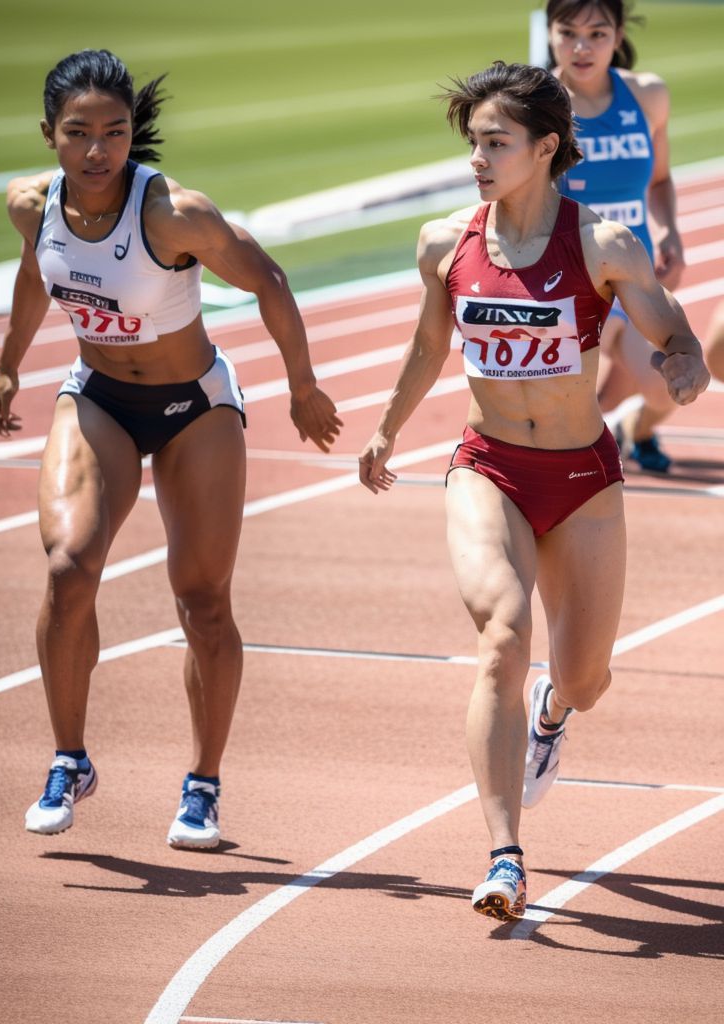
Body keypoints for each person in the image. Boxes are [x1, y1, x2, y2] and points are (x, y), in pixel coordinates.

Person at [358, 61, 709, 921]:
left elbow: (671, 329)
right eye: (473, 143)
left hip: (582, 479)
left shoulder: (602, 245)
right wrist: (386, 429)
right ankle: (504, 858)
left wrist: (686, 361)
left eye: (496, 143)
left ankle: (555, 712)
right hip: (490, 468)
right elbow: (428, 346)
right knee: (503, 638)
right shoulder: (445, 243)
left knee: (585, 678)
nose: (478, 159)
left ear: (546, 148)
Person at [0, 49, 342, 850]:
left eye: (115, 132)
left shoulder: (174, 214)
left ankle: (203, 785)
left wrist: (303, 387)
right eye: (79, 132)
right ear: (48, 134)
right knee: (68, 569)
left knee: (202, 601)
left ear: (132, 133)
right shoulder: (30, 206)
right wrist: (8, 364)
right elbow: (35, 274)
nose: (98, 150)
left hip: (193, 409)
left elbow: (269, 279)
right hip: (100, 398)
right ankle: (69, 760)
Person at [547, 0, 685, 473]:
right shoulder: (537, 106)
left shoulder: (648, 95)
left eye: (597, 34)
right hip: (568, 280)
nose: (581, 47)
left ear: (619, 35)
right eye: (568, 33)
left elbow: (660, 181)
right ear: (549, 33)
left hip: (633, 274)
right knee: (565, 409)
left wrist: (669, 233)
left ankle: (634, 428)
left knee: (667, 385)